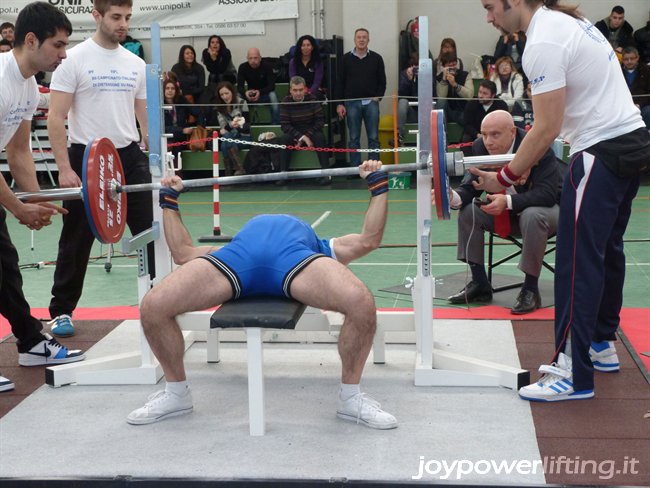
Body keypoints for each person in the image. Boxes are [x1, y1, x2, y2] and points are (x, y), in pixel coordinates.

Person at [126, 160, 398, 430]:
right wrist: (169, 200)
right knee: (154, 305)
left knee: (360, 301)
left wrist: (378, 186)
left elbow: (368, 239)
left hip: (296, 262)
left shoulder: (325, 248)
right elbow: (182, 252)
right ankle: (177, 394)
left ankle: (350, 399)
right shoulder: (229, 249)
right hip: (238, 260)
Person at [473, 0, 650, 402]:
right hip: (632, 140)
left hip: (600, 150)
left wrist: (505, 177)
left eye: (489, 7)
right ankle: (601, 344)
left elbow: (546, 128)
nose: (488, 17)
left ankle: (572, 371)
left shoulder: (543, 40)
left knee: (575, 263)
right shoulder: (571, 21)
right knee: (605, 251)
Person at [47, 0, 155, 338]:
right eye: (115, 17)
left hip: (128, 155)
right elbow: (55, 116)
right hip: (86, 156)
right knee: (76, 237)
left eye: (127, 17)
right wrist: (64, 167)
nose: (123, 24)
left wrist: (152, 143)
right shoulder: (74, 60)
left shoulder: (136, 63)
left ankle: (160, 299)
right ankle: (61, 310)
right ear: (97, 16)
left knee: (149, 232)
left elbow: (143, 113)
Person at [0, 2, 85, 393]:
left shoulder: (30, 85)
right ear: (31, 40)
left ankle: (32, 343)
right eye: (58, 44)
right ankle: (32, 340)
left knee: (5, 267)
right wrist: (17, 206)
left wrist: (36, 202)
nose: (64, 54)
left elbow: (17, 151)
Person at [447, 111, 562, 314]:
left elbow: (547, 194)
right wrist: (451, 197)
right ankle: (480, 282)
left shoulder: (536, 145)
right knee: (468, 211)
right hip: (505, 213)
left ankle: (530, 289)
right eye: (484, 134)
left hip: (546, 213)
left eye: (495, 134)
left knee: (532, 214)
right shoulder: (480, 147)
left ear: (511, 132)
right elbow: (470, 186)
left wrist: (508, 201)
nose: (488, 141)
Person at [336, 28, 386, 167]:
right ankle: (354, 168)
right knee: (353, 138)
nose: (362, 39)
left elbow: (382, 81)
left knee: (374, 137)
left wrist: (378, 97)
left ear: (368, 40)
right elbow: (339, 82)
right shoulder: (345, 59)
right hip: (351, 103)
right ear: (354, 39)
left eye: (364, 37)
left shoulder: (377, 58)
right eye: (359, 37)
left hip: (371, 103)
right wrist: (340, 103)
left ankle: (374, 166)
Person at [278, 76, 331, 184]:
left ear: (305, 89)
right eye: (295, 90)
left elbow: (320, 121)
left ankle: (326, 174)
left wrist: (307, 135)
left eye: (301, 90)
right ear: (290, 90)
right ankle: (283, 174)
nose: (298, 93)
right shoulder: (285, 101)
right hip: (294, 131)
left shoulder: (312, 99)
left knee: (320, 137)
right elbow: (284, 125)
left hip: (311, 130)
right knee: (284, 139)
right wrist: (301, 137)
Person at [210, 81, 249, 176]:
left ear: (232, 91)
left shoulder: (241, 102)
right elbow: (223, 129)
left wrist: (233, 125)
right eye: (222, 94)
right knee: (227, 138)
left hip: (243, 136)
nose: (225, 97)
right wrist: (232, 124)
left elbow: (246, 126)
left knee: (225, 143)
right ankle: (239, 168)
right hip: (230, 137)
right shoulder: (219, 107)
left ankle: (228, 172)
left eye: (226, 93)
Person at [237, 47, 280, 125]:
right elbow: (239, 87)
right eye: (250, 58)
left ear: (260, 58)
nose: (253, 61)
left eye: (255, 58)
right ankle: (239, 124)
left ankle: (275, 124)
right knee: (238, 96)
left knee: (273, 95)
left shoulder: (267, 66)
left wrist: (259, 92)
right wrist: (246, 93)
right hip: (249, 95)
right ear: (247, 58)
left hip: (264, 94)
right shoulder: (242, 67)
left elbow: (271, 86)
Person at [462, 79, 509, 144]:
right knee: (466, 139)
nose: (480, 96)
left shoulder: (501, 106)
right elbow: (467, 124)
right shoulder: (471, 104)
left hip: (495, 135)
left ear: (493, 95)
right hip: (476, 135)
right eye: (480, 92)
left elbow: (504, 125)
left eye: (485, 93)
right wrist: (478, 135)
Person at [435, 51, 474, 125]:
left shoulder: (465, 75)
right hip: (448, 110)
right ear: (444, 66)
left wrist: (455, 85)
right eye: (449, 66)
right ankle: (442, 132)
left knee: (468, 116)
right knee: (441, 102)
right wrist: (444, 80)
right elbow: (441, 98)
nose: (453, 68)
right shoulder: (439, 77)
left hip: (463, 109)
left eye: (454, 64)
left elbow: (470, 95)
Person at [621, 46, 650, 129]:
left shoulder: (647, 70)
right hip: (623, 106)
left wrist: (639, 105)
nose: (629, 61)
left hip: (642, 106)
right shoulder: (618, 71)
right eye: (626, 59)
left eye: (632, 58)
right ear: (622, 60)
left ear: (637, 58)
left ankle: (646, 135)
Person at [288, 35, 325, 99]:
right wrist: (299, 91)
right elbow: (293, 80)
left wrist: (309, 92)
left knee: (313, 97)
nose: (306, 48)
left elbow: (317, 82)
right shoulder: (293, 62)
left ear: (312, 47)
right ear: (300, 47)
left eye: (308, 45)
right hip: (297, 89)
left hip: (313, 90)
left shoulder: (318, 62)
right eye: (303, 45)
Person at [396, 54, 420, 145]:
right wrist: (410, 80)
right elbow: (402, 95)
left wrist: (421, 79)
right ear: (411, 66)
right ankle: (399, 135)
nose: (417, 70)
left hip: (426, 113)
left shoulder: (429, 75)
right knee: (402, 101)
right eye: (415, 67)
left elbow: (433, 94)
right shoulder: (405, 74)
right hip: (411, 113)